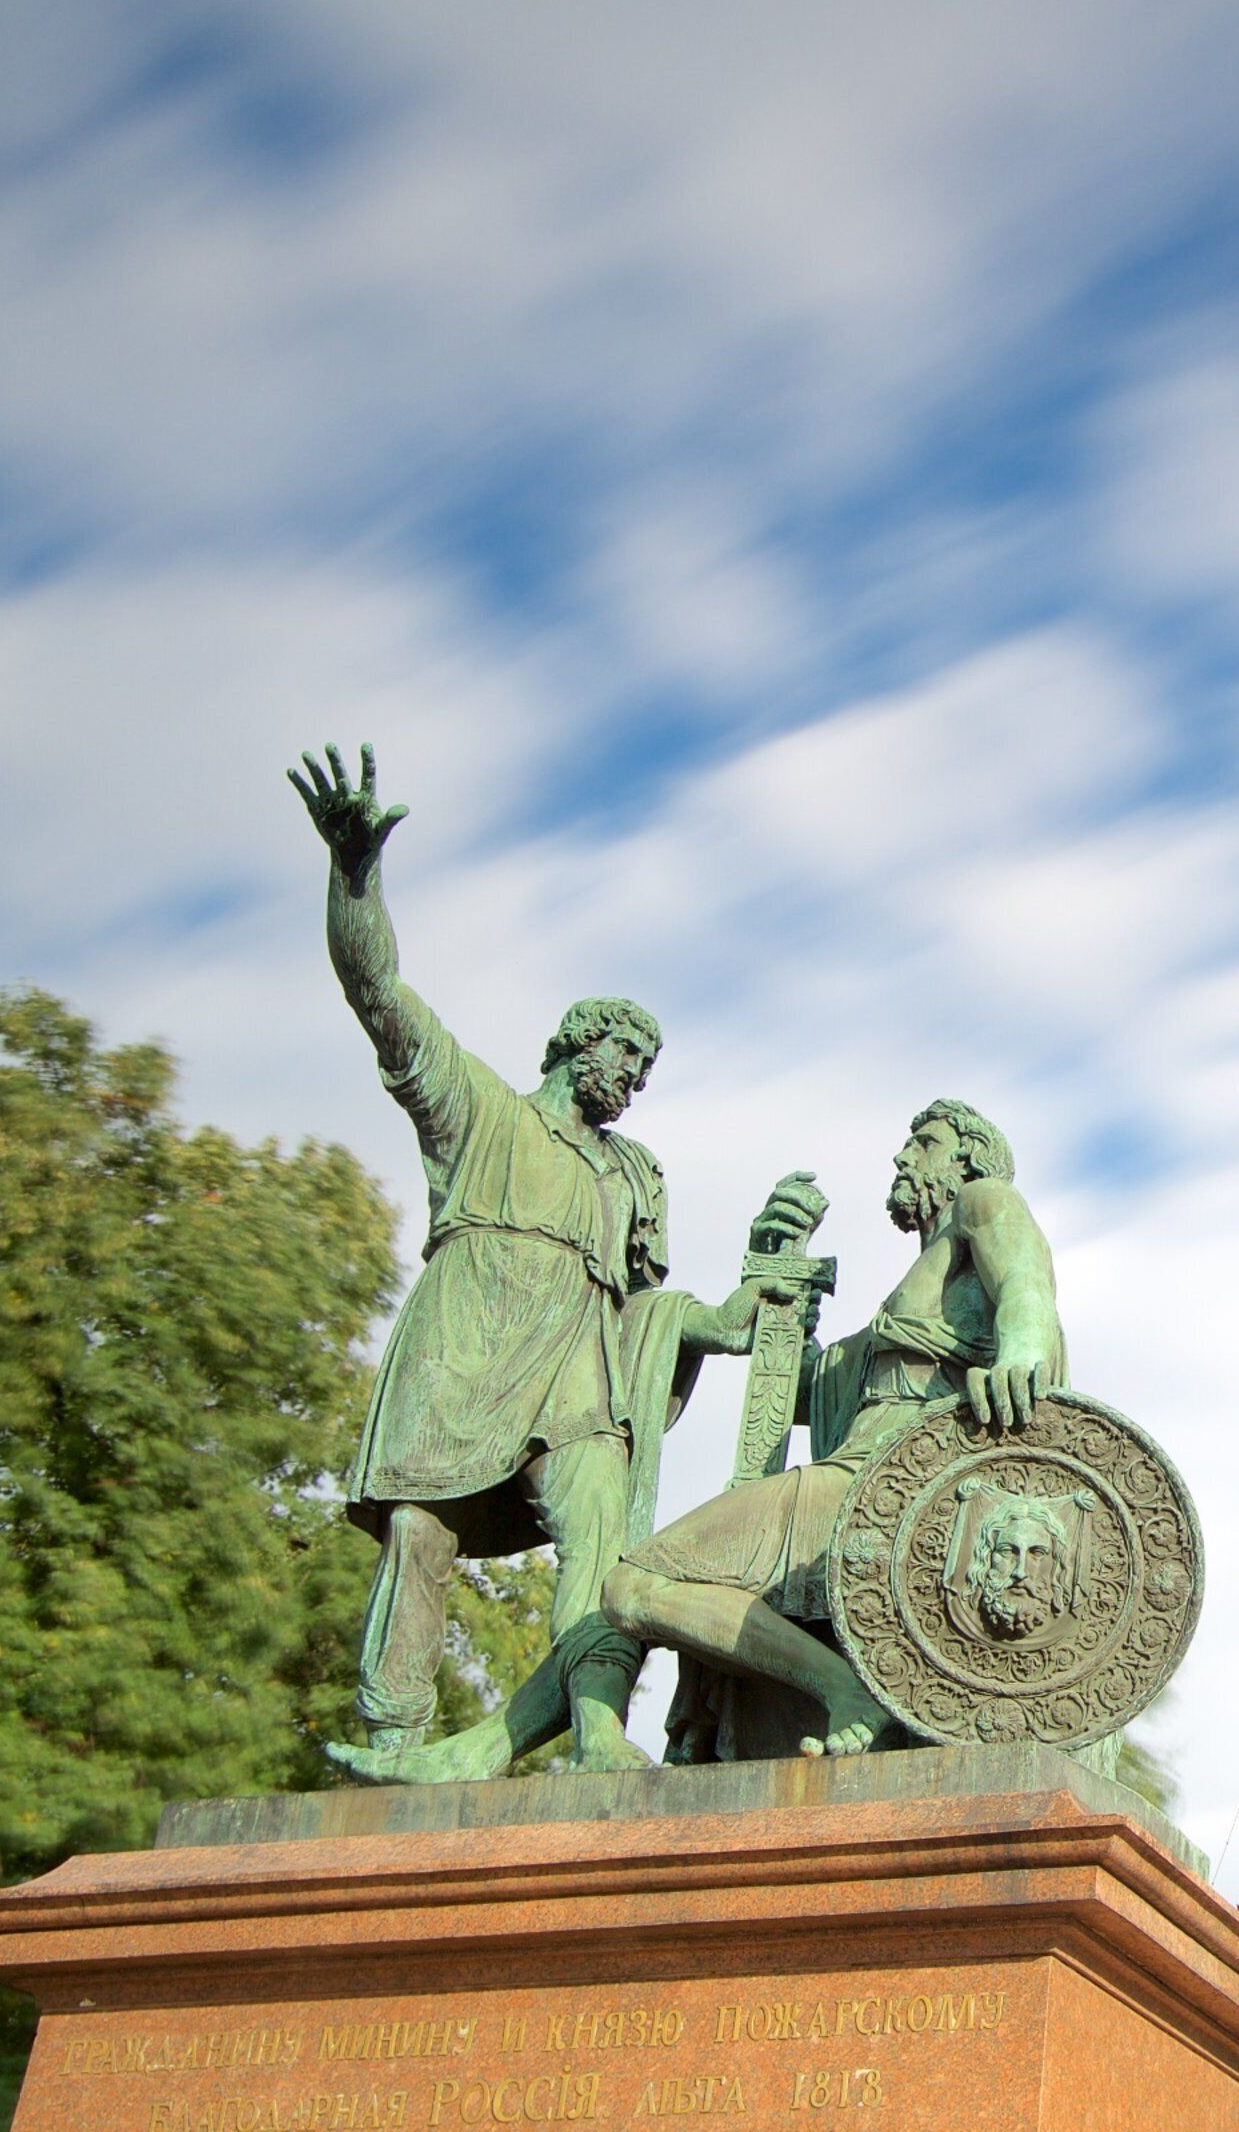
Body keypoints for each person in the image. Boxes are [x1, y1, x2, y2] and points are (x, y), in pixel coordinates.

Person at [288, 744, 776, 1772]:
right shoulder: (478, 1113)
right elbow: (378, 991)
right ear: (572, 1044)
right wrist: (355, 875)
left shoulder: (633, 1175)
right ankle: (392, 1735)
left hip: (576, 1376)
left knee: (600, 1541)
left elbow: (648, 1315)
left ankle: (596, 1729)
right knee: (422, 1537)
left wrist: (729, 1319)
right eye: (623, 1058)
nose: (634, 1081)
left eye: (645, 1070)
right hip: (465, 1349)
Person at [328, 1100, 1062, 1780]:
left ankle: (847, 1689)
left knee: (635, 1585)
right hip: (853, 1475)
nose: (905, 1156)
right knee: (632, 1584)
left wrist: (1023, 1347)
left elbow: (1027, 1284)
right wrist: (778, 1275)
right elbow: (808, 1391)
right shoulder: (921, 1282)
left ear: (966, 1161)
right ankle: (480, 1750)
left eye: (924, 1142)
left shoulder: (983, 1202)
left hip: (889, 1484)